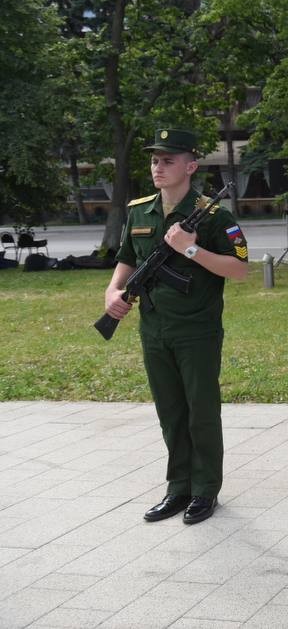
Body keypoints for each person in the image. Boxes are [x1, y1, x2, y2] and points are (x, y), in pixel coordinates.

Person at [104, 128, 248, 525]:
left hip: (196, 330)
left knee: (200, 411)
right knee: (170, 412)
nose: (158, 167)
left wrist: (190, 247)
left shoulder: (215, 215)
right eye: (154, 160)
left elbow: (240, 270)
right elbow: (127, 260)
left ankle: (204, 491)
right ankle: (177, 488)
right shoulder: (140, 210)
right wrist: (113, 293)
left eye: (168, 160)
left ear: (191, 165)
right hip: (153, 329)